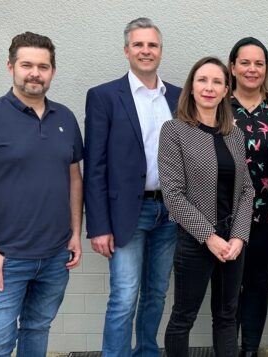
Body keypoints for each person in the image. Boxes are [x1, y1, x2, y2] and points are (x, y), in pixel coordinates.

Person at [0, 32, 83, 356]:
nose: (35, 73)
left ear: (52, 71)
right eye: (27, 65)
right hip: (4, 259)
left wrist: (75, 233)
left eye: (43, 66)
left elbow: (74, 179)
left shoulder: (64, 117)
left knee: (38, 329)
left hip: (55, 257)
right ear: (11, 66)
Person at [83, 17, 181, 357]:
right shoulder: (104, 97)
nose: (145, 50)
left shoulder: (178, 98)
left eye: (152, 45)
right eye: (138, 44)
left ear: (161, 51)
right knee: (124, 295)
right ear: (126, 50)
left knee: (156, 293)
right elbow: (94, 167)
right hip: (128, 213)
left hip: (169, 212)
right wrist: (97, 226)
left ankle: (148, 352)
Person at [159, 56, 254, 357]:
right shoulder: (174, 130)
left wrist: (238, 237)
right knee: (183, 317)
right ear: (192, 86)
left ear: (227, 90)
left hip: (232, 243)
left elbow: (247, 190)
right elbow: (173, 194)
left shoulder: (235, 135)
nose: (209, 88)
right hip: (196, 241)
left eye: (216, 82)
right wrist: (210, 238)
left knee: (227, 316)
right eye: (202, 80)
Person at [228, 37, 268, 357]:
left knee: (258, 285)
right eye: (245, 62)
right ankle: (226, 348)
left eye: (258, 63)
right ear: (232, 66)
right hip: (225, 216)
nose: (252, 69)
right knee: (228, 289)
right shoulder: (216, 106)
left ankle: (249, 350)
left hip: (266, 215)